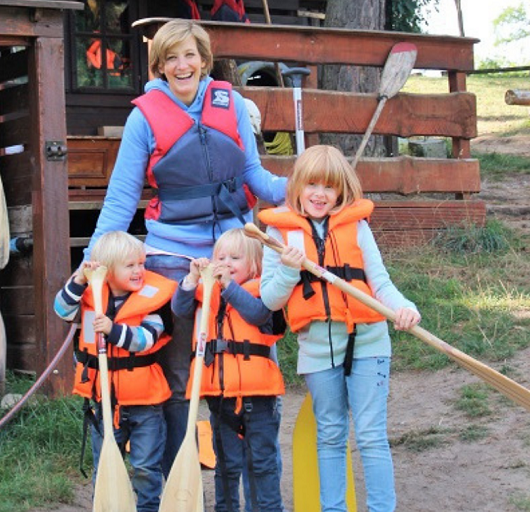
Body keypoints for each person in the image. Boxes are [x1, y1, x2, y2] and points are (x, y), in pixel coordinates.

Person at [82, 19, 287, 477]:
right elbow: (120, 197)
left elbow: (256, 176)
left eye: (189, 55)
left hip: (238, 253)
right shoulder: (144, 118)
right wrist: (91, 259)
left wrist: (301, 188)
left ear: (204, 59)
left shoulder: (230, 103)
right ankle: (180, 481)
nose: (182, 65)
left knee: (247, 364)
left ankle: (251, 489)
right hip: (175, 257)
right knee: (179, 379)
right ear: (159, 65)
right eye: (171, 57)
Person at [258, 145, 421, 512]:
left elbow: (380, 283)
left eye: (329, 187)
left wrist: (404, 308)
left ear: (341, 191)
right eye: (312, 184)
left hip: (369, 342)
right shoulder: (277, 233)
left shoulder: (356, 226)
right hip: (317, 349)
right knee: (330, 435)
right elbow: (270, 299)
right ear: (297, 185)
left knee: (371, 435)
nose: (319, 194)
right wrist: (288, 269)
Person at [55, 231, 176, 512]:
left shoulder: (152, 300)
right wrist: (80, 279)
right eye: (130, 265)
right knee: (105, 468)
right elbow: (61, 310)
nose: (139, 271)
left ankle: (148, 508)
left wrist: (112, 330)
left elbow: (146, 339)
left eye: (141, 264)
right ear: (107, 271)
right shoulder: (89, 296)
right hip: (104, 403)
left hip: (146, 405)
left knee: (146, 467)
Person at [172, 228, 285, 512]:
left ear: (255, 265)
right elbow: (180, 309)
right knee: (226, 467)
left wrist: (229, 287)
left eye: (235, 257)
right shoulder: (206, 293)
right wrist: (191, 279)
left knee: (262, 464)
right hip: (220, 399)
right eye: (220, 257)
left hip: (258, 400)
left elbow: (258, 315)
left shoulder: (264, 292)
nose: (226, 262)